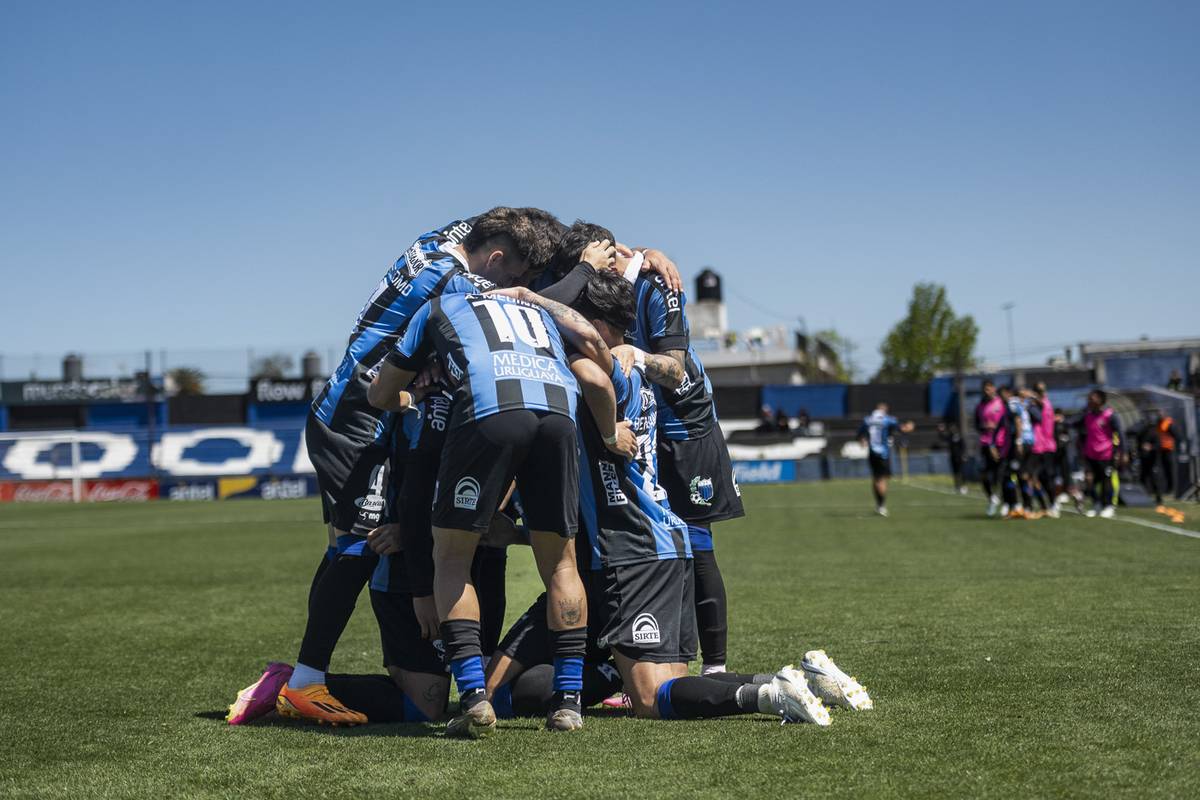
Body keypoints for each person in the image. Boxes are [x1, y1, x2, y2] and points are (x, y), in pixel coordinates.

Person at [486, 270, 868, 726]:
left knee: (648, 699)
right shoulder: (635, 369)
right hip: (662, 544)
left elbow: (589, 372)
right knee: (659, 685)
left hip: (634, 551)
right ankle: (794, 680)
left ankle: (765, 695)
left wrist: (607, 431)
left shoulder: (615, 365)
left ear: (602, 325)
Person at [268, 207, 560, 727]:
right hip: (359, 414)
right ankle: (307, 681)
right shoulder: (458, 282)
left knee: (345, 547)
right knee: (360, 544)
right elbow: (532, 312)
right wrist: (585, 271)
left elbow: (500, 221)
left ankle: (304, 678)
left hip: (371, 407)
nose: (517, 288)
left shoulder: (440, 240)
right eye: (514, 277)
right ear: (493, 258)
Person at [368, 245, 635, 737]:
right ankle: (569, 703)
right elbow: (595, 347)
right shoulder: (531, 304)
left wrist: (416, 391)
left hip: (491, 410)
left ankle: (473, 698)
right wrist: (608, 428)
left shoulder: (437, 306)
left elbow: (380, 395)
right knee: (561, 563)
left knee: (451, 557)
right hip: (557, 409)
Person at [624, 240, 746, 678]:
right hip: (641, 430)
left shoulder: (654, 284)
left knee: (696, 543)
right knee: (645, 546)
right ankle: (655, 661)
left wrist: (634, 356)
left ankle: (714, 667)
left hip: (685, 431)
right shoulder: (581, 281)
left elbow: (673, 369)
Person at [857, 403, 914, 517]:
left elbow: (860, 435)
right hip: (883, 453)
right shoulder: (888, 420)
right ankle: (881, 505)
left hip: (872, 453)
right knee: (882, 479)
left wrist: (863, 441)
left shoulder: (867, 419)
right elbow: (903, 429)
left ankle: (879, 504)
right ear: (885, 411)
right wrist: (910, 426)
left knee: (876, 479)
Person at [1073, 389, 1124, 518]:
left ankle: (1108, 506)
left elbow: (1120, 434)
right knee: (1089, 480)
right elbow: (1073, 423)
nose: (1089, 400)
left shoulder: (1110, 415)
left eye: (1092, 398)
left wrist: (1122, 452)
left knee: (1106, 481)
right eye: (1089, 398)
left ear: (1100, 400)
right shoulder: (1087, 415)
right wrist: (1059, 420)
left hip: (1106, 454)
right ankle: (1097, 504)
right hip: (1090, 454)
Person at [974, 380, 1006, 516]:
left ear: (994, 388)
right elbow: (976, 425)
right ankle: (992, 498)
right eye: (985, 389)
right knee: (984, 475)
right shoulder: (980, 406)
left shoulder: (1001, 403)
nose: (987, 392)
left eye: (989, 389)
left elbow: (1009, 421)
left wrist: (997, 426)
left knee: (1003, 475)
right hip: (986, 443)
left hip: (1001, 443)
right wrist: (985, 427)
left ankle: (1007, 503)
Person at [1028, 383, 1060, 518]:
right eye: (1039, 391)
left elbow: (1041, 418)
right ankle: (1044, 505)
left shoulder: (1043, 405)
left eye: (1043, 391)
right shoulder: (1035, 405)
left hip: (1046, 446)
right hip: (1037, 446)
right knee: (1035, 477)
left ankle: (1053, 504)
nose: (1042, 393)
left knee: (1046, 477)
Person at [937, 420, 967, 495]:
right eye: (951, 428)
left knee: (961, 471)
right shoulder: (950, 436)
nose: (952, 429)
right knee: (955, 472)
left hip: (959, 457)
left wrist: (964, 455)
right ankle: (957, 486)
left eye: (953, 428)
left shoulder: (959, 436)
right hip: (953, 457)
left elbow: (963, 446)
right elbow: (943, 438)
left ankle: (963, 486)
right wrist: (941, 431)